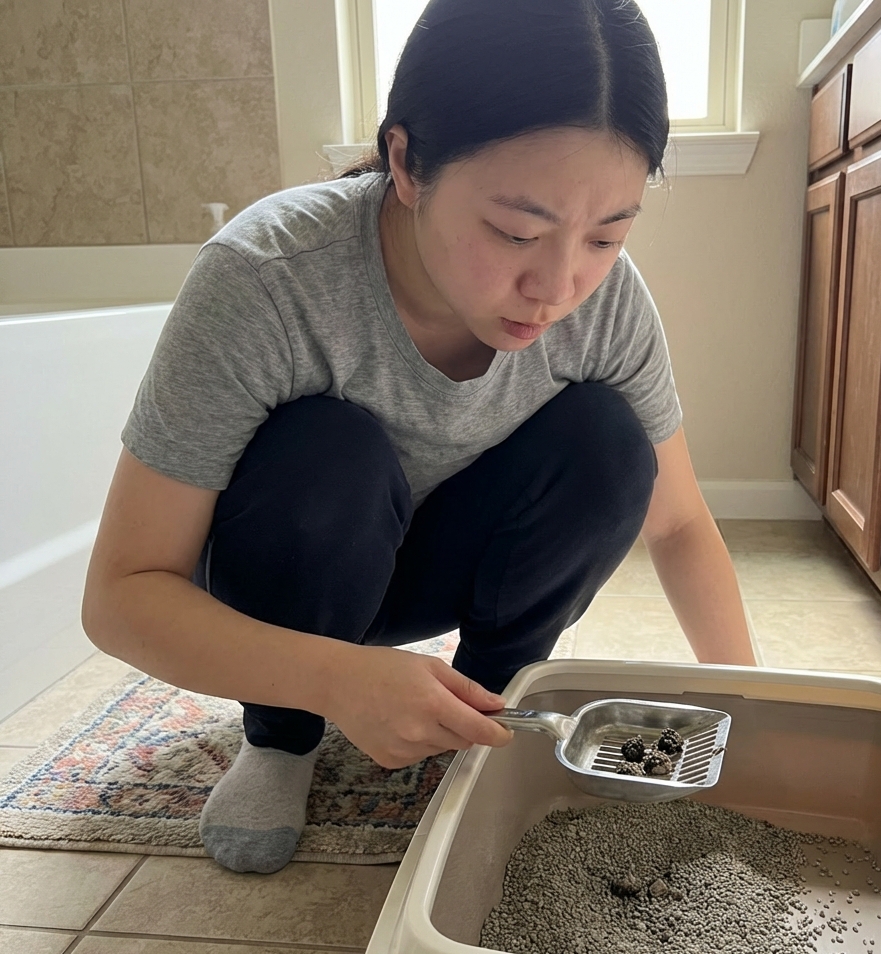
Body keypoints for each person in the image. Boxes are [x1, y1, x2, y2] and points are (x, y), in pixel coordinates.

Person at [82, 0, 755, 875]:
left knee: (609, 440)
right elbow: (122, 594)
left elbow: (677, 524)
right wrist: (327, 681)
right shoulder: (267, 280)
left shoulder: (607, 305)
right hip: (289, 568)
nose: (555, 286)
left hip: (439, 566)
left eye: (606, 235)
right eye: (516, 231)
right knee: (329, 449)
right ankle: (280, 739)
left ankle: (489, 706)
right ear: (405, 160)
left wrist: (760, 708)